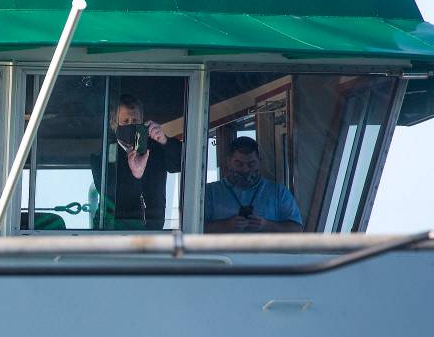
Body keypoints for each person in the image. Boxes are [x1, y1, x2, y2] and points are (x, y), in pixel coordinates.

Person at [93, 93, 183, 230]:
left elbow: (187, 164)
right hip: (111, 235)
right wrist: (136, 175)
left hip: (152, 233)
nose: (131, 125)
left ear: (143, 122)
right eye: (126, 121)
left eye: (135, 121)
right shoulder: (103, 156)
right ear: (113, 124)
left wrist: (165, 141)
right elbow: (110, 194)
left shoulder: (156, 149)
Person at [205, 136, 304, 233]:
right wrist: (226, 225)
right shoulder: (209, 192)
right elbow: (194, 228)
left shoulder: (278, 192)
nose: (245, 170)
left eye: (251, 164)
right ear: (228, 162)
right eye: (239, 164)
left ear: (259, 162)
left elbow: (297, 229)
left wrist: (266, 225)